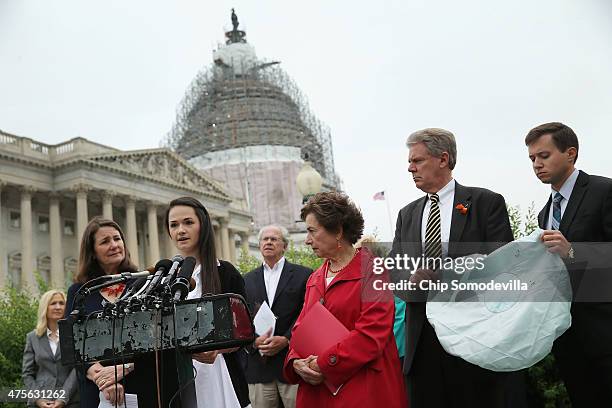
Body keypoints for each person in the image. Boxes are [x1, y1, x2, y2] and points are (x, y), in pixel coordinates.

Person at [390, 128, 517, 407]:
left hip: (474, 338)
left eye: (417, 161)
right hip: (422, 341)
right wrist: (412, 279)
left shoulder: (486, 203)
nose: (410, 168)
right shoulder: (406, 214)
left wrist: (453, 273)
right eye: (410, 163)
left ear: (443, 159)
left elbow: (504, 264)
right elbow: (394, 270)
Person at [283, 192, 407, 408]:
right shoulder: (314, 278)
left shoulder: (373, 271)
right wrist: (295, 362)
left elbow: (371, 334)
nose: (307, 240)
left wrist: (324, 364)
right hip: (317, 392)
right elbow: (300, 330)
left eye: (312, 231)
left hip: (362, 391)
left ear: (338, 230)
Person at [525, 122, 612, 406]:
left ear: (570, 153)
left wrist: (573, 251)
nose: (537, 164)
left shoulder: (604, 190)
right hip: (567, 335)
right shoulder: (544, 213)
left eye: (544, 155)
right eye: (532, 159)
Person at [165, 196, 251, 408]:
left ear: (202, 226)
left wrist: (218, 350)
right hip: (179, 381)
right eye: (173, 225)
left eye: (188, 222)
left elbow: (245, 332)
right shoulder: (166, 279)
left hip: (220, 376)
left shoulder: (226, 272)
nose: (180, 230)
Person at [65, 217, 138, 407]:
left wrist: (123, 370)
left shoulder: (143, 285)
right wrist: (103, 379)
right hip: (96, 392)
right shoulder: (79, 292)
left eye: (117, 238)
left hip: (140, 385)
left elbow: (157, 340)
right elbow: (70, 343)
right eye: (105, 242)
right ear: (93, 252)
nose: (114, 245)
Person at [243, 225, 312, 408]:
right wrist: (254, 341)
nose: (268, 242)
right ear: (259, 245)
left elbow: (308, 312)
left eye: (274, 239)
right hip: (259, 366)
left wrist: (287, 339)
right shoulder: (246, 280)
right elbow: (241, 318)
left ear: (285, 246)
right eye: (265, 239)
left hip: (292, 364)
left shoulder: (304, 275)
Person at [22, 289, 79, 408]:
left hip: (71, 401)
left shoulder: (74, 334)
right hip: (41, 401)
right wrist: (38, 399)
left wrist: (63, 398)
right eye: (53, 303)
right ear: (45, 307)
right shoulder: (32, 337)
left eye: (61, 303)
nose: (58, 307)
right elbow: (27, 373)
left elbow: (77, 369)